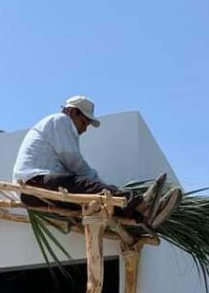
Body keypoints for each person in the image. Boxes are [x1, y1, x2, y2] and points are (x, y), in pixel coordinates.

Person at [13, 95, 182, 229]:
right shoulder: (60, 120)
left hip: (37, 189)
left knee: (96, 202)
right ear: (72, 112)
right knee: (86, 186)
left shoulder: (60, 125)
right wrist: (97, 181)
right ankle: (142, 204)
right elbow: (73, 161)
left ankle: (140, 215)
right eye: (84, 122)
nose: (85, 128)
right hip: (34, 183)